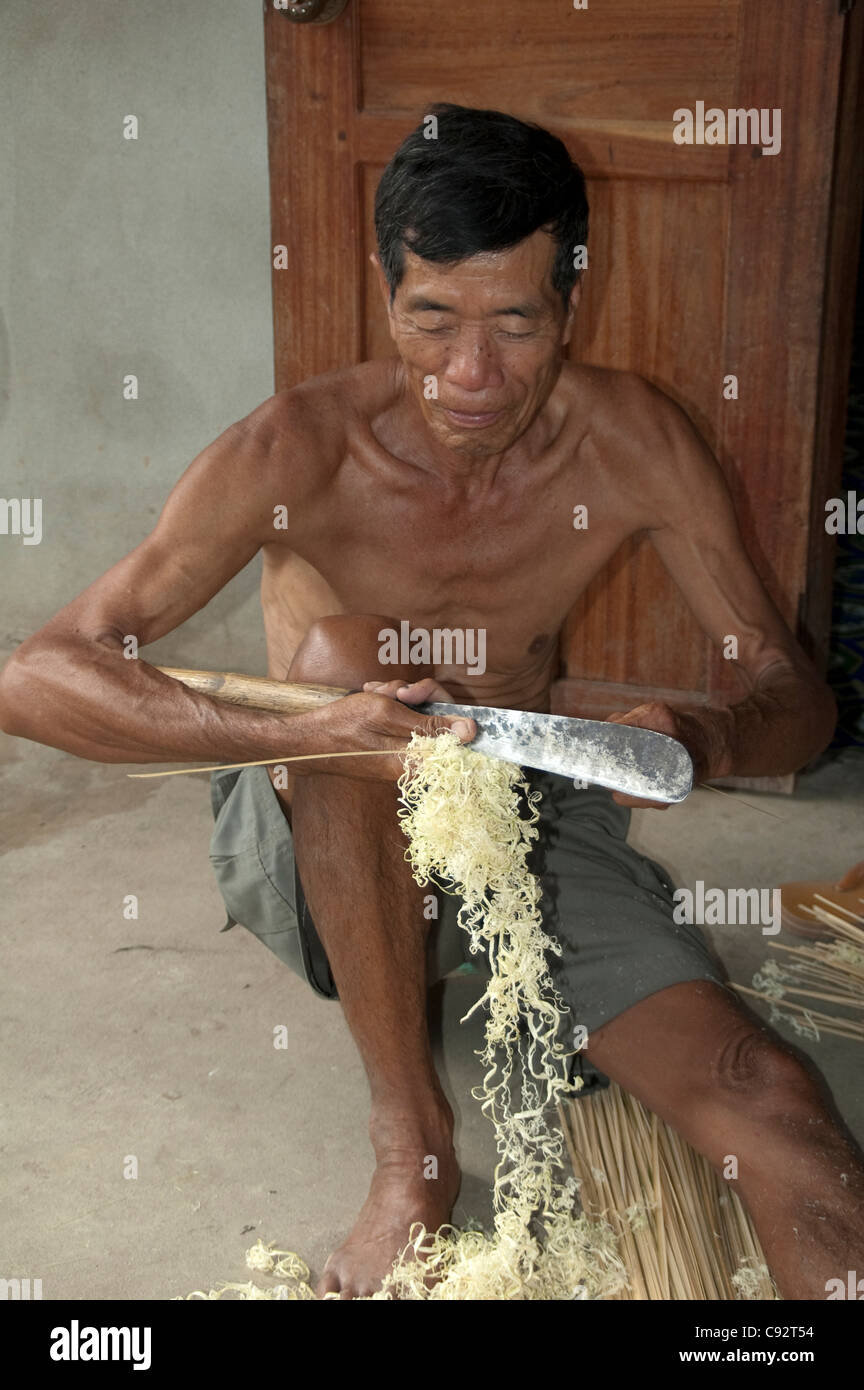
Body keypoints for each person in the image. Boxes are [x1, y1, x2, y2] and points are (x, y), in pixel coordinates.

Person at [1, 104, 861, 1301]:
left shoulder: (631, 445)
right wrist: (312, 733)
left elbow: (796, 698)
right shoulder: (298, 450)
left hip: (526, 807)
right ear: (383, 288)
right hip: (321, 837)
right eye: (432, 319)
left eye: (515, 321)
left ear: (573, 293)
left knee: (770, 1091)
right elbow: (35, 676)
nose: (471, 375)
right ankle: (411, 1144)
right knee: (350, 664)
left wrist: (709, 731)